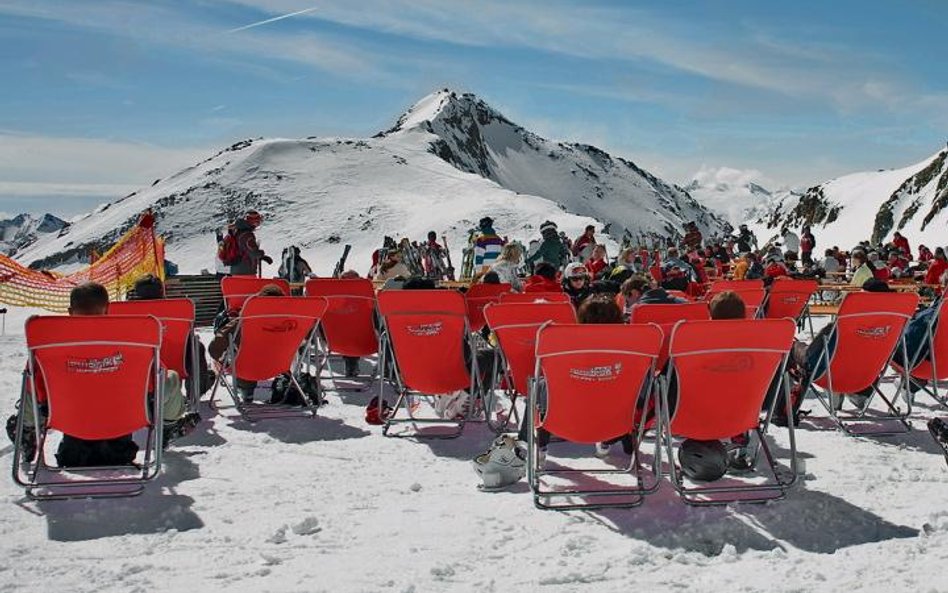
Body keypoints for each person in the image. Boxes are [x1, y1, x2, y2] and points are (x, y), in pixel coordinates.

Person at [6, 283, 189, 466]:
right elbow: (158, 376)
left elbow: (34, 384)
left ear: (70, 311)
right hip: (126, 414)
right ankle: (168, 427)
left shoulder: (48, 341)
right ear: (108, 308)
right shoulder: (132, 337)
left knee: (32, 383)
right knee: (169, 378)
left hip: (67, 416)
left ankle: (28, 431)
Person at [133, 274, 215, 404]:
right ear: (162, 291)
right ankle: (195, 392)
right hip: (177, 364)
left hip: (139, 367)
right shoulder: (179, 308)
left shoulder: (128, 312)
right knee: (196, 346)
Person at [208, 284, 287, 403]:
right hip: (279, 367)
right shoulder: (291, 322)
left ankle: (247, 389)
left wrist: (218, 359)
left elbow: (214, 347)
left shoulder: (243, 321)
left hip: (246, 371)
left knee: (235, 350)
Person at [228, 210, 272, 276]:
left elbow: (245, 250)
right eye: (257, 221)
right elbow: (253, 252)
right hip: (245, 271)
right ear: (253, 222)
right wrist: (261, 254)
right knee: (250, 286)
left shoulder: (238, 232)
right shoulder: (247, 235)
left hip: (237, 270)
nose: (258, 224)